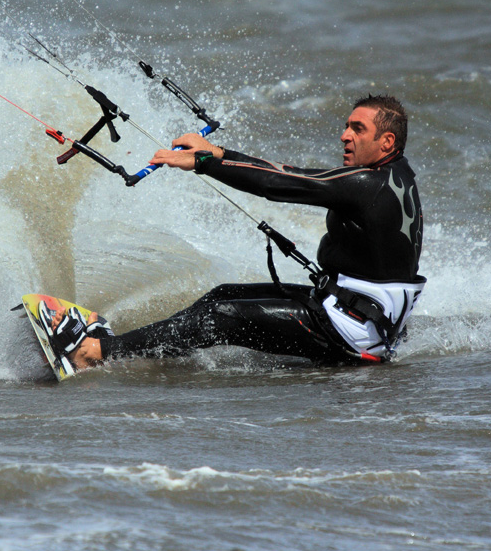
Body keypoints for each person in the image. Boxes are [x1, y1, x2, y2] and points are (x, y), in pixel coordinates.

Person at [69, 94, 426, 369]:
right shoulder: (395, 177)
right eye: (347, 126)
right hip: (360, 314)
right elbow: (287, 172)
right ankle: (146, 349)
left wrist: (206, 162)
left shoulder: (368, 184)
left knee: (220, 316)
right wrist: (217, 152)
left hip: (355, 332)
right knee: (220, 295)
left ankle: (95, 353)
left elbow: (281, 181)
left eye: (357, 129)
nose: (345, 136)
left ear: (387, 142)